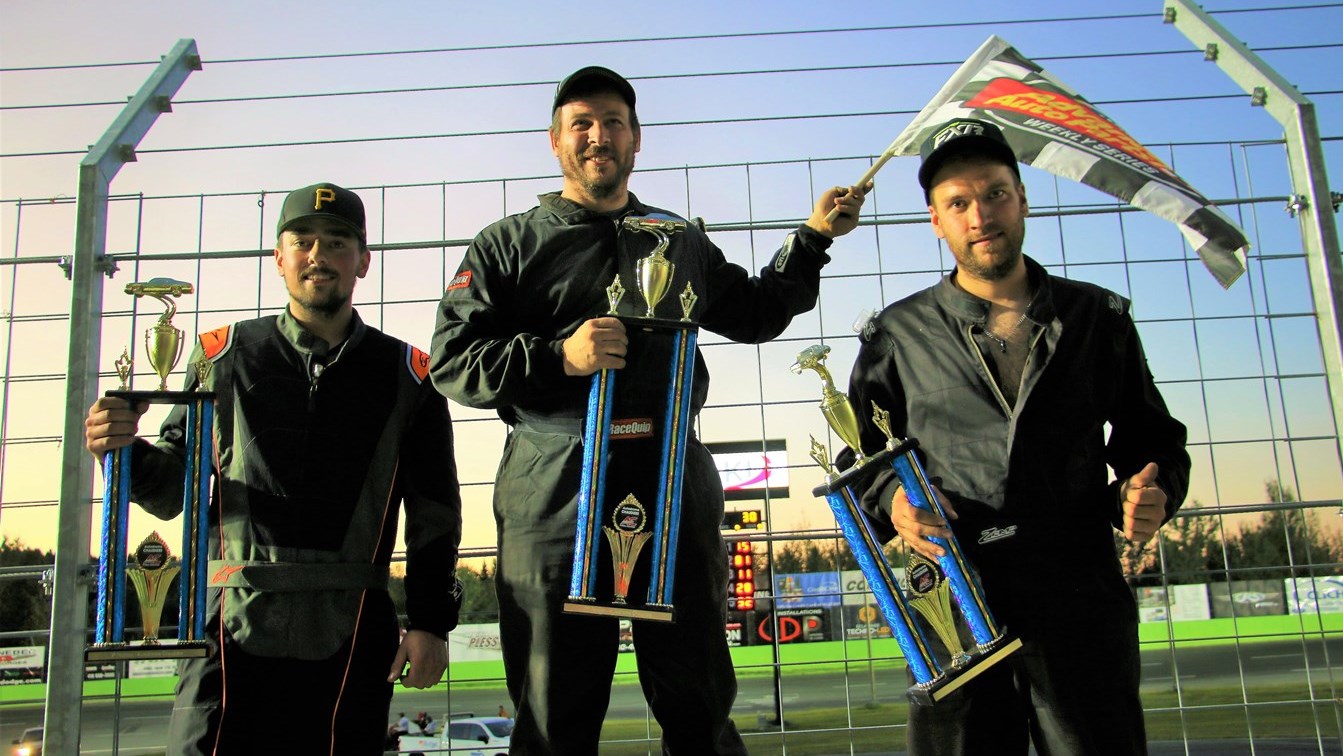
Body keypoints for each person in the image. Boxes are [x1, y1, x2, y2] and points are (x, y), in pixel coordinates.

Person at [430, 66, 871, 754]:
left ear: (637, 139)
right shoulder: (507, 243)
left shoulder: (677, 239)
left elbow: (753, 313)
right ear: (555, 142)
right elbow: (453, 361)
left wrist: (812, 238)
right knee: (553, 714)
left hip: (670, 477)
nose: (597, 136)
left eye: (612, 122)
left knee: (697, 704)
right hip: (552, 487)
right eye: (581, 124)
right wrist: (556, 355)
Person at [840, 118, 1191, 755]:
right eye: (959, 203)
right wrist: (894, 500)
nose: (981, 215)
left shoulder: (1095, 316)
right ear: (936, 220)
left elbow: (1152, 437)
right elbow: (860, 456)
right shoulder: (897, 335)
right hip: (954, 600)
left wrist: (1153, 487)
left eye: (996, 193)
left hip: (1078, 591)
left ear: (1023, 200)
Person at [84, 182, 465, 755]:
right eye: (303, 241)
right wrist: (120, 449)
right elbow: (168, 492)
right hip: (229, 623)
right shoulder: (221, 356)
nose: (319, 255)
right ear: (278, 257)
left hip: (354, 626)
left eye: (337, 242)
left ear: (363, 261)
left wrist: (431, 623)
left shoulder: (410, 375)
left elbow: (435, 516)